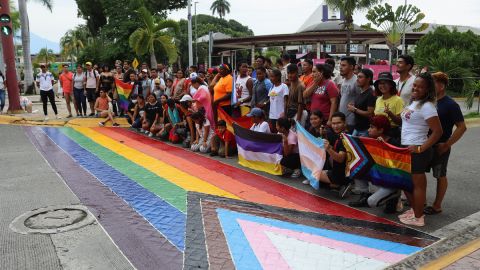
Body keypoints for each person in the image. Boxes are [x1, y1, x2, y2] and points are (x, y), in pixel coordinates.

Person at [398, 72, 443, 227]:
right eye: (415, 85)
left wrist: (421, 148)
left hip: (418, 150)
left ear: (427, 89)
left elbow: (438, 132)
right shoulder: (414, 102)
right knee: (409, 184)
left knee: (418, 185)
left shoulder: (427, 106)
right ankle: (416, 211)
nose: (416, 88)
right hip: (407, 148)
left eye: (420, 86)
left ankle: (418, 218)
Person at [424, 72, 467, 215]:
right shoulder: (428, 101)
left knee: (439, 174)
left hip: (440, 146)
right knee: (418, 172)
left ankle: (437, 205)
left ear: (441, 86)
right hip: (424, 143)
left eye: (432, 83)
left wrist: (447, 144)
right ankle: (421, 200)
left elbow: (462, 127)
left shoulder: (450, 104)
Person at [348, 115, 402, 212]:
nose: (369, 130)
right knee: (357, 164)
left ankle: (394, 194)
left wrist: (384, 147)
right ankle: (364, 194)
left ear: (381, 130)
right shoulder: (371, 140)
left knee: (372, 202)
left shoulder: (393, 143)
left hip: (390, 180)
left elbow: (395, 167)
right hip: (378, 176)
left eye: (372, 127)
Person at [317, 112, 352, 198]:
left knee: (313, 175)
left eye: (338, 123)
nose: (335, 126)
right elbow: (332, 147)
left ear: (344, 123)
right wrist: (324, 136)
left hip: (340, 173)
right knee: (318, 181)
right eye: (333, 123)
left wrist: (328, 148)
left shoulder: (345, 138)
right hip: (337, 170)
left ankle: (340, 184)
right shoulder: (339, 135)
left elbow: (340, 159)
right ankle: (336, 185)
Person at [373, 72, 404, 138]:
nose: (382, 85)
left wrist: (390, 113)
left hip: (392, 135)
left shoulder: (398, 100)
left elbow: (401, 122)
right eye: (380, 83)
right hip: (378, 134)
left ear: (391, 85)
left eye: (385, 83)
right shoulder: (378, 99)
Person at [347, 69, 376, 136]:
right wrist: (352, 106)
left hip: (365, 130)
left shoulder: (371, 93)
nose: (357, 79)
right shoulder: (361, 92)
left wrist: (354, 109)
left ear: (368, 79)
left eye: (360, 77)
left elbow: (370, 114)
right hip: (357, 128)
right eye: (357, 77)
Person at [338, 56, 359, 133]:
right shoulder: (344, 81)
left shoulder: (357, 81)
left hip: (351, 122)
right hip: (342, 120)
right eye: (340, 65)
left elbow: (361, 99)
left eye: (343, 65)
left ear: (351, 67)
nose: (340, 67)